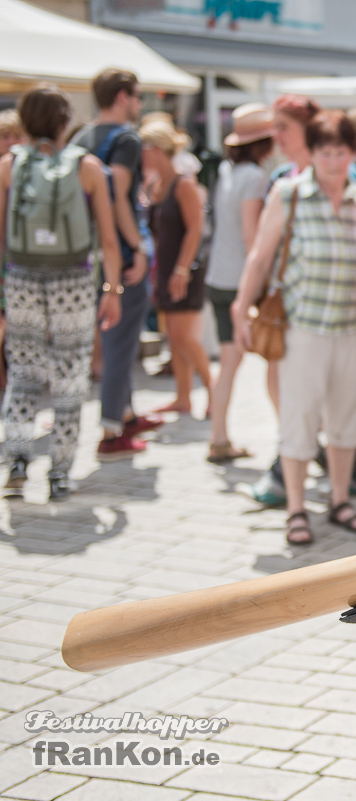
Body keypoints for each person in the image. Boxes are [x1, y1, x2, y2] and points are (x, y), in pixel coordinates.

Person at [231, 111, 356, 546]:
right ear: (313, 154)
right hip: (303, 328)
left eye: (341, 152)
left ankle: (339, 500)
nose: (334, 161)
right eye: (325, 152)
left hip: (350, 328)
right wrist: (242, 307)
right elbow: (260, 257)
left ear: (353, 154)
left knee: (344, 418)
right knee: (298, 418)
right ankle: (296, 508)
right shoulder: (290, 193)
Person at [0, 84, 123, 500]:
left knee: (24, 372)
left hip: (22, 279)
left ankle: (16, 460)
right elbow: (107, 238)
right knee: (70, 376)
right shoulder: (86, 167)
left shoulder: (8, 166)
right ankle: (61, 472)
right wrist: (112, 288)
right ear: (65, 121)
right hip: (73, 280)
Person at [71, 69, 163, 459]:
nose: (140, 105)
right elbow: (120, 195)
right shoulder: (125, 138)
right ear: (123, 96)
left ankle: (124, 414)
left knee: (112, 340)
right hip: (117, 257)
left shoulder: (80, 137)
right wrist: (136, 246)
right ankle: (112, 432)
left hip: (82, 255)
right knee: (121, 342)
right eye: (138, 97)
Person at [206, 103, 273, 464]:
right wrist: (258, 281)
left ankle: (218, 437)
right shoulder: (254, 177)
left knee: (228, 363)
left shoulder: (228, 171)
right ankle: (218, 438)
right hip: (238, 280)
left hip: (219, 276)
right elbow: (252, 236)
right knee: (257, 362)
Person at [140, 120, 211, 418]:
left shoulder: (184, 184)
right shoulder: (157, 186)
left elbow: (195, 229)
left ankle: (214, 389)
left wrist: (181, 271)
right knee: (175, 339)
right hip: (166, 269)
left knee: (186, 338)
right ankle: (183, 398)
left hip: (185, 270)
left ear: (155, 150)